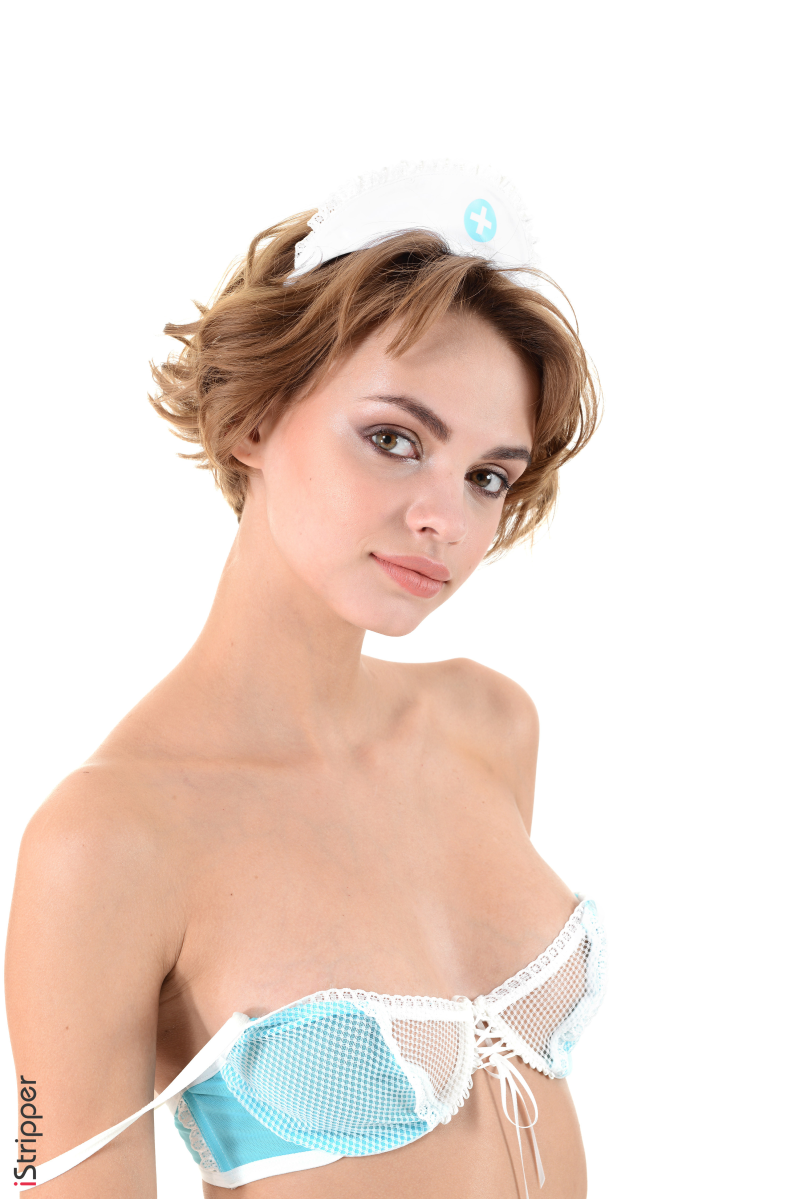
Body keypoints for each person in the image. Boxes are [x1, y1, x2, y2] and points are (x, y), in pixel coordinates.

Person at [5, 163, 605, 1199]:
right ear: (253, 417)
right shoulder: (107, 840)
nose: (445, 519)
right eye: (393, 440)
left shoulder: (488, 725)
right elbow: (43, 1164)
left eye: (487, 475)